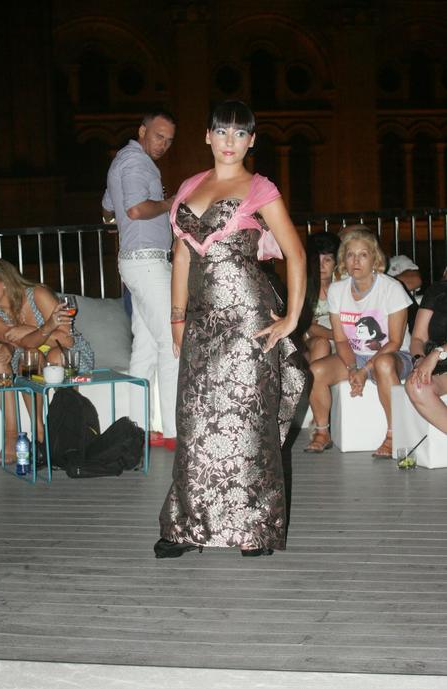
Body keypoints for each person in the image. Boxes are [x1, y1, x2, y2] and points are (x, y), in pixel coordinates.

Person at [154, 100, 307, 559]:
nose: (229, 142)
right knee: (196, 421)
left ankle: (252, 526)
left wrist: (292, 318)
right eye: (222, 132)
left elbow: (295, 254)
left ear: (251, 141)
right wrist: (176, 319)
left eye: (240, 134)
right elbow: (181, 256)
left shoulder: (261, 189)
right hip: (201, 323)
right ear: (207, 136)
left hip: (247, 320)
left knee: (247, 424)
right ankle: (184, 526)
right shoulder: (188, 186)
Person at [102, 109, 178, 451]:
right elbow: (134, 210)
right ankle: (177, 431)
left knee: (145, 347)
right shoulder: (137, 163)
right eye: (159, 136)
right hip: (147, 262)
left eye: (169, 140)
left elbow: (107, 209)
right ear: (142, 130)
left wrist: (123, 216)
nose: (163, 144)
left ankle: (137, 429)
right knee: (172, 342)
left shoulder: (122, 161)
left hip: (133, 262)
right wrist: (168, 202)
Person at [304, 227, 413, 457]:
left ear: (375, 258)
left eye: (363, 254)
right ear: (343, 259)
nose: (356, 260)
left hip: (394, 356)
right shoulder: (338, 290)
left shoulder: (391, 289)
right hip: (355, 355)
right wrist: (353, 368)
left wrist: (364, 370)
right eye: (350, 254)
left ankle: (394, 436)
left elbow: (394, 341)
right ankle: (322, 432)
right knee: (316, 370)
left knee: (383, 363)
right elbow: (341, 339)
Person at [0, 257, 94, 463]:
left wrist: (30, 332)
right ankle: (37, 433)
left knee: (55, 355)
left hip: (66, 352)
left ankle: (69, 427)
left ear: (6, 281)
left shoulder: (38, 294)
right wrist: (41, 331)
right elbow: (21, 342)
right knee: (31, 356)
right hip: (27, 357)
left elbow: (66, 339)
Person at [405, 273, 447, 432]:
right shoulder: (437, 290)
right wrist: (419, 360)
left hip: (437, 357)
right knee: (416, 385)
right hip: (440, 367)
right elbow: (418, 338)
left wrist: (437, 353)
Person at [303, 231, 341, 363]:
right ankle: (315, 382)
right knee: (322, 344)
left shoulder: (343, 285)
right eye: (316, 260)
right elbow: (310, 327)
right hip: (312, 341)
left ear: (336, 262)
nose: (321, 265)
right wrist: (337, 336)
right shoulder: (304, 288)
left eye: (327, 260)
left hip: (343, 338)